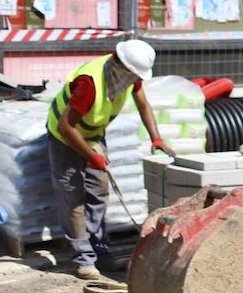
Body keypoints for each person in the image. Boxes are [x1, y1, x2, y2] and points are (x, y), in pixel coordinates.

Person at [47, 39, 170, 280]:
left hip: (92, 134)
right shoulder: (89, 83)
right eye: (134, 74)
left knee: (99, 191)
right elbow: (65, 127)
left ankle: (100, 250)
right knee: (73, 197)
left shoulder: (128, 78)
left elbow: (143, 105)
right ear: (119, 63)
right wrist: (92, 156)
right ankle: (83, 259)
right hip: (64, 137)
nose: (136, 80)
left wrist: (156, 138)